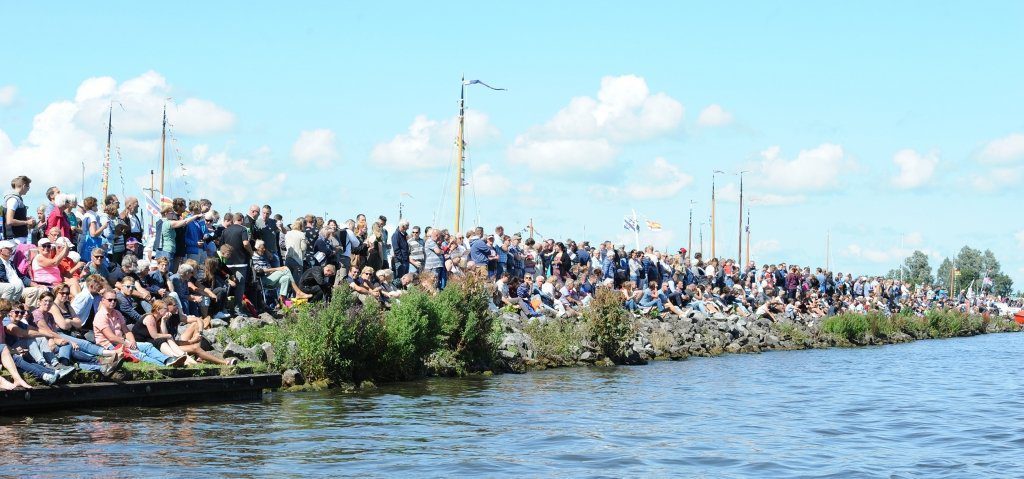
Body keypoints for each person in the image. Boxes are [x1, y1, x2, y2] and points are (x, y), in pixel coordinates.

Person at [93, 288, 185, 367]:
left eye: (115, 300)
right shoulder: (100, 316)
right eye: (110, 300)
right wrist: (127, 343)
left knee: (148, 346)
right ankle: (164, 364)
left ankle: (168, 360)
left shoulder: (117, 313)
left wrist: (132, 341)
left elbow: (126, 331)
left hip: (121, 342)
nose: (113, 302)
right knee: (139, 354)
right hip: (108, 346)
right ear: (103, 300)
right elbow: (111, 337)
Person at [252, 239, 311, 306]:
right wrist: (277, 269)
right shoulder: (254, 257)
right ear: (257, 248)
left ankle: (282, 300)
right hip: (264, 280)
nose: (264, 249)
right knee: (285, 269)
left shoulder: (263, 255)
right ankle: (298, 292)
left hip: (270, 278)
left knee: (285, 278)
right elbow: (258, 271)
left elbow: (270, 262)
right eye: (262, 248)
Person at [220, 213, 252, 316]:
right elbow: (246, 243)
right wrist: (251, 252)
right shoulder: (243, 229)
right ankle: (238, 309)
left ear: (233, 220)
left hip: (227, 263)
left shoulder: (225, 231)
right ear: (241, 219)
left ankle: (224, 308)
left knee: (226, 285)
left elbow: (221, 246)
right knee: (240, 286)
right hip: (241, 262)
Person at [4, 176, 36, 245]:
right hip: (15, 240)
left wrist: (25, 219)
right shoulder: (13, 199)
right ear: (24, 186)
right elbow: (9, 221)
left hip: (16, 239)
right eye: (28, 187)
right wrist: (27, 222)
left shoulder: (15, 199)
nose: (28, 189)